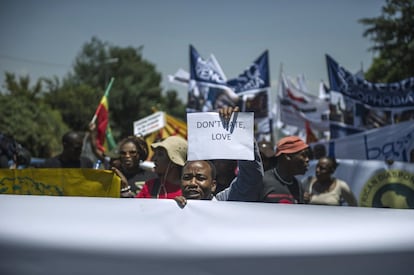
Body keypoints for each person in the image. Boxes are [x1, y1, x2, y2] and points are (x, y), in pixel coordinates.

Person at [174, 106, 264, 208]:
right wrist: (173, 209)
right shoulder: (174, 208)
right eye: (187, 177)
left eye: (200, 178)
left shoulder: (225, 202)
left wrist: (241, 134)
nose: (193, 183)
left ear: (213, 185)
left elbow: (250, 178)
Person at [260, 136, 310, 204]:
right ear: (287, 156)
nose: (307, 159)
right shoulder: (262, 182)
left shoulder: (298, 185)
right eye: (303, 155)